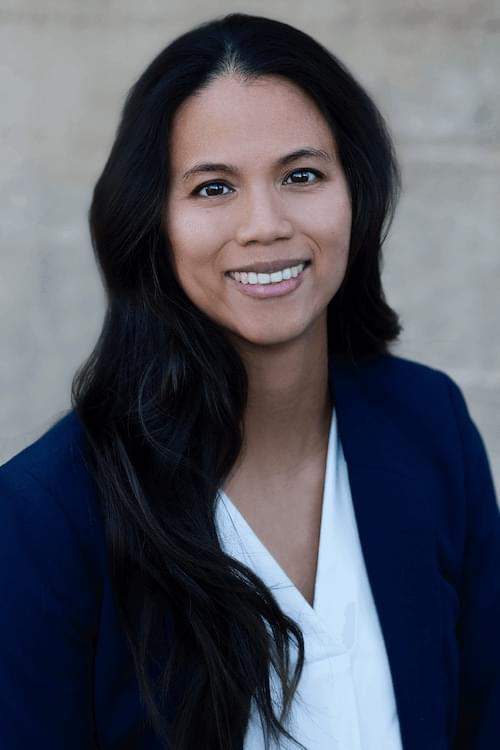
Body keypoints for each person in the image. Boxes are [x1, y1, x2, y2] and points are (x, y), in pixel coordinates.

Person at [0, 12, 498, 750]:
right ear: (153, 222)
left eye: (302, 176)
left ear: (354, 195)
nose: (264, 224)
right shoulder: (45, 518)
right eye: (212, 188)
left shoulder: (430, 425)